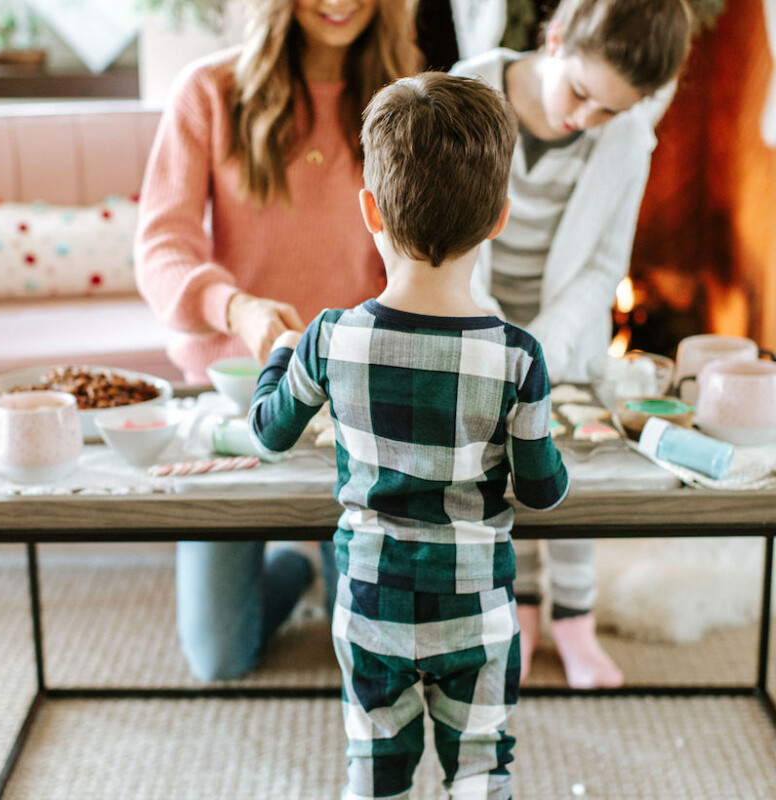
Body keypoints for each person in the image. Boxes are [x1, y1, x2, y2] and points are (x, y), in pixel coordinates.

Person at [237, 73, 569, 800]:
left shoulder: (329, 339)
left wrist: (277, 353)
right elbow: (543, 493)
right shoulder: (518, 356)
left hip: (370, 604)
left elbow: (267, 434)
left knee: (376, 769)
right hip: (474, 610)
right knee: (482, 767)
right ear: (499, 219)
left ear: (369, 212)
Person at [134, 0, 421, 682]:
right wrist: (238, 309)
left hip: (357, 403)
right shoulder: (208, 91)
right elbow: (161, 247)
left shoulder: (407, 99)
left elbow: (416, 257)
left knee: (373, 652)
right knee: (219, 657)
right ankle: (293, 565)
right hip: (234, 393)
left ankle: (326, 558)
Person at [452, 0, 692, 688]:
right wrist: (497, 335)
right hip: (478, 314)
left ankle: (574, 621)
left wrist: (541, 344)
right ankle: (521, 610)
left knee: (568, 467)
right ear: (554, 39)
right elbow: (446, 228)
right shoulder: (468, 91)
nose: (585, 119)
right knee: (500, 468)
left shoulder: (626, 139)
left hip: (567, 334)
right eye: (581, 94)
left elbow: (602, 266)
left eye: (609, 111)